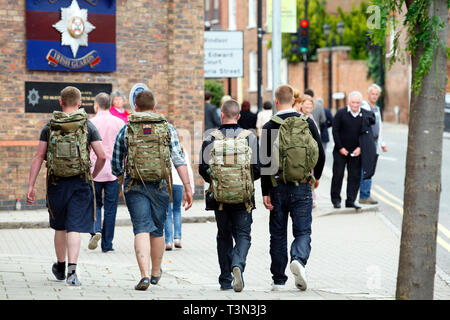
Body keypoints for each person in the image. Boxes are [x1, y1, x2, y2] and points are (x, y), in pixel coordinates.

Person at [111, 89, 193, 291]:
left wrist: (121, 174)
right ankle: (156, 273)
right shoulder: (167, 128)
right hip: (160, 184)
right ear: (155, 107)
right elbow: (178, 159)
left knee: (141, 228)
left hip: (134, 185)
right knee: (157, 229)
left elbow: (115, 162)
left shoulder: (127, 128)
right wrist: (188, 186)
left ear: (135, 107)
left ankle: (144, 275)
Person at [26, 86, 106, 286]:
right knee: (74, 228)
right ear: (80, 104)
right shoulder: (87, 125)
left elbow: (39, 157)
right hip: (80, 181)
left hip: (56, 183)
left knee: (60, 228)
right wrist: (93, 176)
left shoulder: (50, 125)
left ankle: (60, 267)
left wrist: (31, 186)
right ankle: (72, 273)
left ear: (60, 103)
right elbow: (102, 156)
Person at [260, 85, 325, 291]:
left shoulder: (270, 126)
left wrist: (265, 191)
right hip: (303, 186)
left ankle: (278, 279)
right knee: (303, 231)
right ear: (294, 101)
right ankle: (298, 259)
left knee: (278, 234)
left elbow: (264, 162)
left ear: (276, 101)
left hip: (277, 186)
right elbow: (321, 154)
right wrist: (316, 179)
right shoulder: (306, 122)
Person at [199, 99, 261, 292]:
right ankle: (238, 263)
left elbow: (203, 169)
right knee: (243, 235)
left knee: (224, 236)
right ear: (239, 116)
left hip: (220, 199)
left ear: (222, 115)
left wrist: (218, 180)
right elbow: (258, 170)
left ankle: (225, 280)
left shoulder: (211, 138)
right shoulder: (249, 137)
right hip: (244, 198)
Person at [88, 92, 126, 253]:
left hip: (94, 171)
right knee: (111, 208)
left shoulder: (90, 123)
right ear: (110, 105)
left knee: (94, 204)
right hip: (113, 171)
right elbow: (124, 147)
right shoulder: (119, 122)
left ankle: (96, 229)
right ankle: (107, 244)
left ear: (96, 105)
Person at [330, 91, 376, 210]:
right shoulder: (340, 114)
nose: (355, 105)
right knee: (338, 175)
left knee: (354, 177)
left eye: (357, 103)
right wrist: (340, 148)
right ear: (349, 102)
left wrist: (360, 148)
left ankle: (350, 200)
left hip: (356, 152)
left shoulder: (365, 115)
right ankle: (336, 200)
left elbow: (366, 134)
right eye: (353, 102)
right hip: (341, 151)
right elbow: (335, 131)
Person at [359, 84, 388, 205]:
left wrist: (382, 143)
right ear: (368, 94)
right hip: (366, 141)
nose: (374, 96)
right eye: (372, 93)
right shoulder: (364, 107)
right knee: (365, 168)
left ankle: (366, 194)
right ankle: (364, 195)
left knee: (370, 167)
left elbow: (379, 127)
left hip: (374, 141)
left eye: (376, 94)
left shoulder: (377, 108)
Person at [164, 140, 195, 251]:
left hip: (166, 183)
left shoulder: (162, 148)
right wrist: (190, 189)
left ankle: (168, 241)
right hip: (178, 183)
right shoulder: (182, 150)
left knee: (167, 212)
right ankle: (178, 238)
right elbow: (188, 170)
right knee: (177, 210)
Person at [293, 93, 319, 208]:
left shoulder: (311, 117)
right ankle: (307, 197)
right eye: (306, 104)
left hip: (311, 151)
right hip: (302, 151)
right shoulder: (299, 117)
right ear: (301, 105)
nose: (308, 107)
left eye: (310, 105)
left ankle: (311, 196)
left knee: (311, 174)